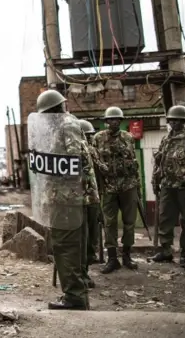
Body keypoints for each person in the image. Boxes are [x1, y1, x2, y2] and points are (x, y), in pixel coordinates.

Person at [36, 90, 93, 310]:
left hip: (66, 198)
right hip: (65, 197)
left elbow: (72, 161)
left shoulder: (66, 125)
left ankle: (74, 297)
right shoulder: (67, 125)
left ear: (53, 111)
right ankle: (77, 295)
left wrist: (47, 167)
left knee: (66, 246)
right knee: (68, 246)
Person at [151, 105, 185, 266]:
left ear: (183, 121)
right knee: (165, 219)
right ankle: (166, 250)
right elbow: (159, 164)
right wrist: (155, 181)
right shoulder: (166, 140)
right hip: (168, 186)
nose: (174, 123)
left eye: (177, 120)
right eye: (171, 120)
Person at [92, 106, 140, 274]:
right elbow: (95, 166)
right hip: (109, 187)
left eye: (117, 119)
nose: (114, 122)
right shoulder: (98, 138)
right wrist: (97, 190)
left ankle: (126, 255)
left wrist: (138, 187)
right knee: (109, 223)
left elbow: (134, 164)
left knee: (129, 222)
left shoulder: (128, 138)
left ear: (121, 121)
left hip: (128, 186)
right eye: (111, 119)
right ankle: (112, 258)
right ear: (106, 122)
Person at [78, 119, 103, 284]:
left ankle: (86, 269)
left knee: (92, 238)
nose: (89, 140)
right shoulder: (74, 150)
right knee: (82, 238)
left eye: (90, 136)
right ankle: (82, 273)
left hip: (93, 199)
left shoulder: (92, 152)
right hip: (79, 201)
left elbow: (99, 174)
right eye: (86, 136)